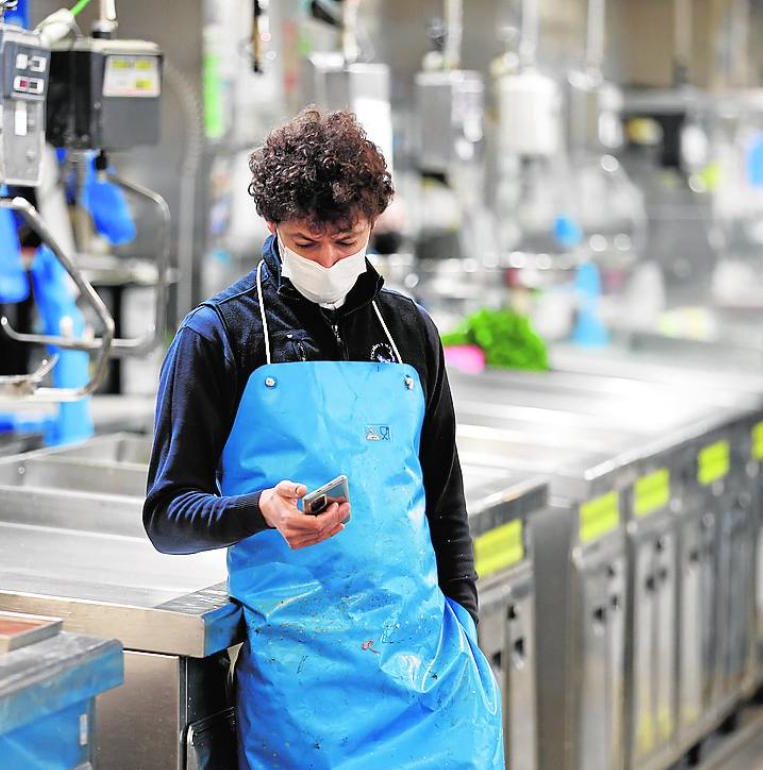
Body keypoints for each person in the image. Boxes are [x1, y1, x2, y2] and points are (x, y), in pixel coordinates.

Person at [144, 108, 503, 768]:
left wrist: (465, 618)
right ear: (273, 225)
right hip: (301, 685)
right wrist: (259, 511)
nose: (330, 261)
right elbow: (167, 517)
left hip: (425, 671)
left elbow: (444, 497)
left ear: (372, 224)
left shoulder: (409, 331)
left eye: (348, 240)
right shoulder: (218, 337)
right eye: (307, 244)